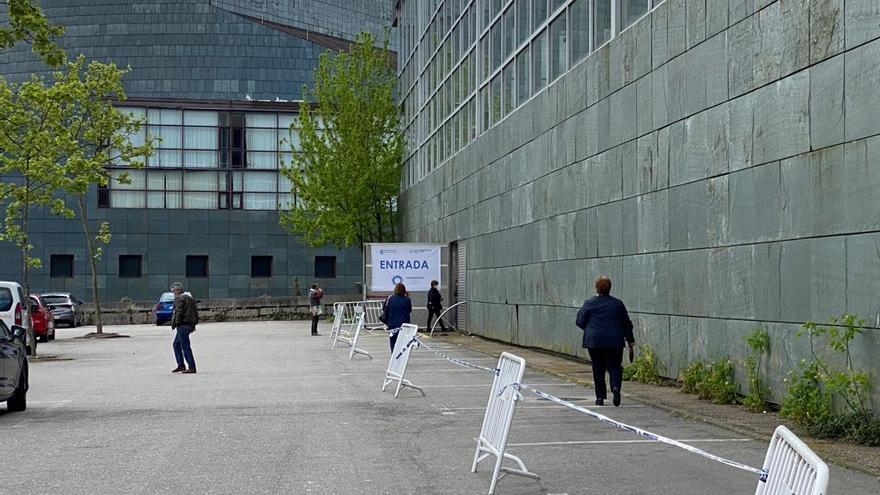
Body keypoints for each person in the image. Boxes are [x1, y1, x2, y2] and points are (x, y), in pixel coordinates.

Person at [575, 276, 634, 407]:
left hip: (594, 341)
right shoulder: (617, 304)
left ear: (596, 288)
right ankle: (615, 387)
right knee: (615, 366)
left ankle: (600, 397)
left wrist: (591, 328)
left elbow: (579, 321)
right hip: (614, 341)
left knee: (598, 367)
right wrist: (630, 340)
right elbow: (626, 324)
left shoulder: (589, 303)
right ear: (610, 288)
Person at [170, 282, 199, 374]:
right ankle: (181, 365)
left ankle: (191, 367)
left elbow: (178, 312)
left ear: (178, 290)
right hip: (188, 324)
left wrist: (177, 323)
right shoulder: (190, 298)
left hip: (182, 325)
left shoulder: (179, 299)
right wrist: (193, 324)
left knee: (185, 346)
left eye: (174, 290)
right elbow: (195, 312)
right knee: (176, 344)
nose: (173, 292)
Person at [383, 282, 412, 352]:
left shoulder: (390, 299)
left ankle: (393, 356)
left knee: (393, 341)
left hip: (391, 324)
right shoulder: (407, 300)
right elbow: (409, 310)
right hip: (403, 324)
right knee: (402, 341)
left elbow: (384, 308)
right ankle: (400, 356)